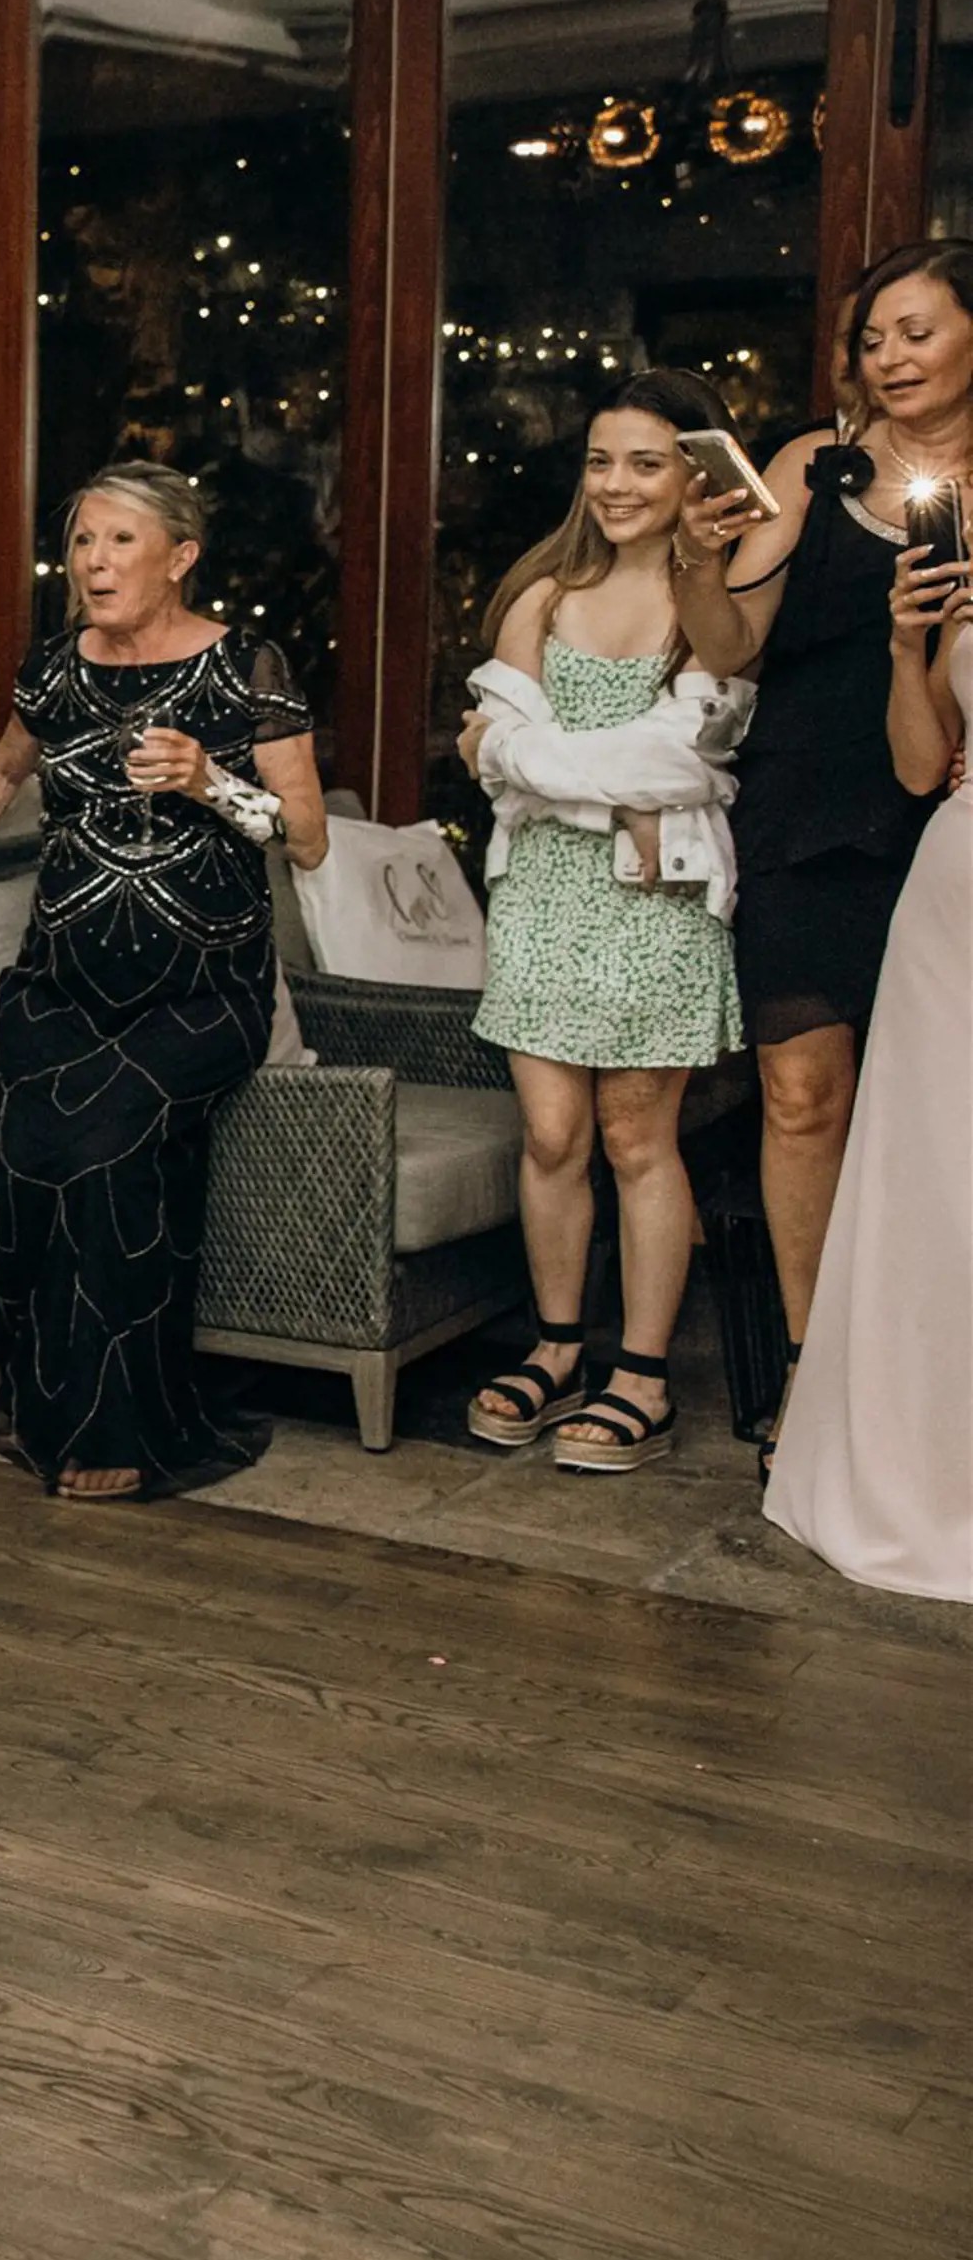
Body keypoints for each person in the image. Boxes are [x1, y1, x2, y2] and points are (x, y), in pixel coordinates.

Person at [0, 466, 328, 1498]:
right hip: (63, 973)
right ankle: (48, 1403)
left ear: (178, 557)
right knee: (33, 1152)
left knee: (111, 1150)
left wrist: (210, 780)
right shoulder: (54, 665)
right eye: (82, 541)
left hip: (200, 984)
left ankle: (130, 1423)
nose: (94, 561)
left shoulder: (243, 667)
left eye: (121, 541)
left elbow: (304, 839)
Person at [453, 372, 760, 1473]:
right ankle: (552, 1346)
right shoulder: (540, 591)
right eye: (599, 459)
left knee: (637, 1137)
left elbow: (691, 758)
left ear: (693, 474)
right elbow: (488, 760)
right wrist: (618, 794)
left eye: (644, 461)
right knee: (549, 1135)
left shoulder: (716, 601)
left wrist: (571, 773)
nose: (617, 482)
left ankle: (639, 1374)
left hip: (657, 901)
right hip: (541, 896)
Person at [718, 239, 967, 1453]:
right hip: (805, 804)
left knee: (934, 1111)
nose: (888, 357)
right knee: (801, 1092)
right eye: (872, 338)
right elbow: (727, 645)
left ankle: (926, 1378)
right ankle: (813, 1374)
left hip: (945, 813)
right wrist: (690, 555)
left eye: (914, 331)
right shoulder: (814, 464)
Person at [764, 510, 969, 1597]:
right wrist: (909, 644)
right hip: (954, 892)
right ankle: (913, 1472)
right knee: (932, 1186)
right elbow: (918, 763)